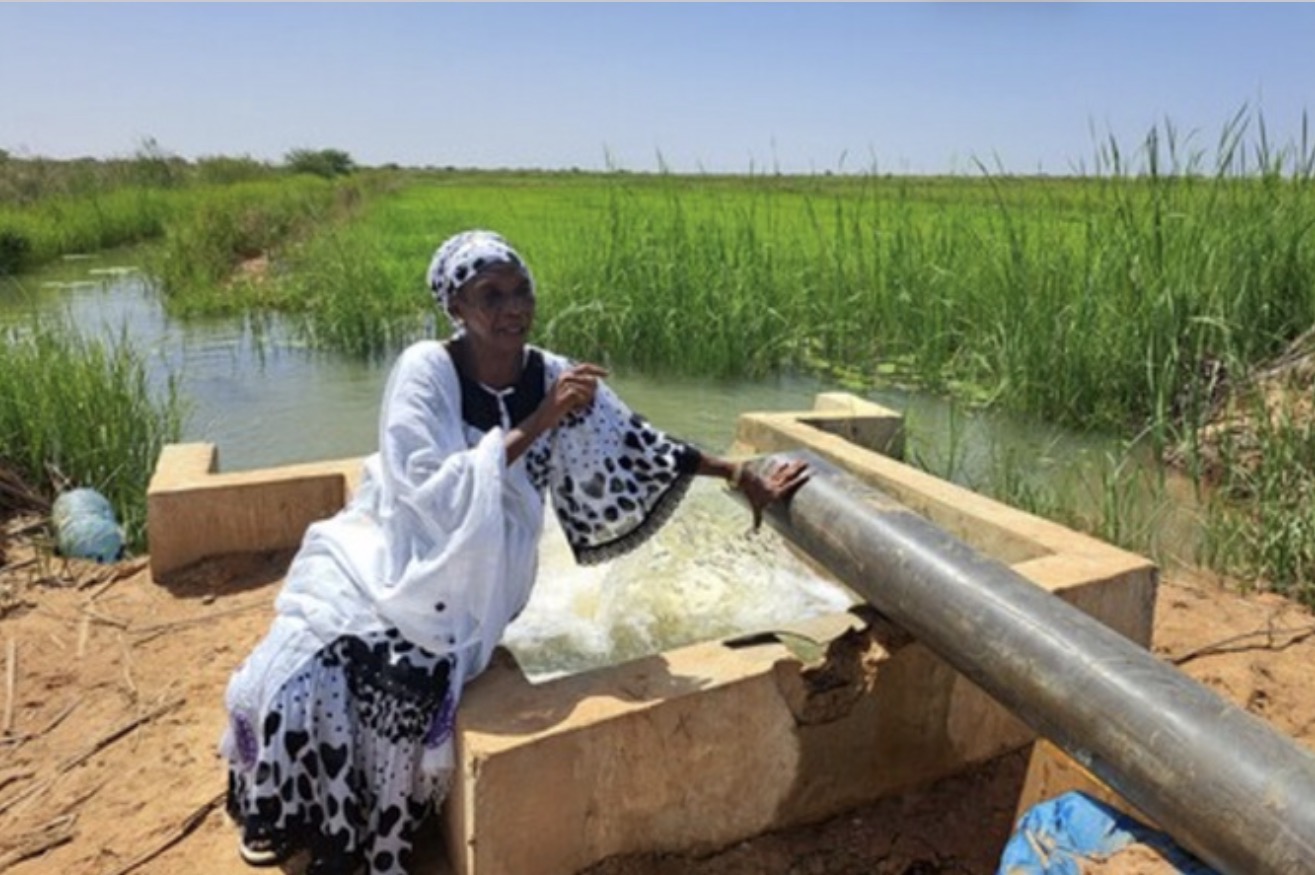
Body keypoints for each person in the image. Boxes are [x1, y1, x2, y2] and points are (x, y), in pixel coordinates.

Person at [220, 230, 809, 875]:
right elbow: (426, 488)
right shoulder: (428, 369)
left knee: (410, 680)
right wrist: (540, 421)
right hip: (400, 550)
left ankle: (369, 817)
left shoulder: (552, 376)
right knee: (310, 661)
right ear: (457, 308)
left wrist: (736, 474)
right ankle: (283, 811)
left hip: (484, 575)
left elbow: (642, 444)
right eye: (489, 295)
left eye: (520, 289)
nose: (511, 308)